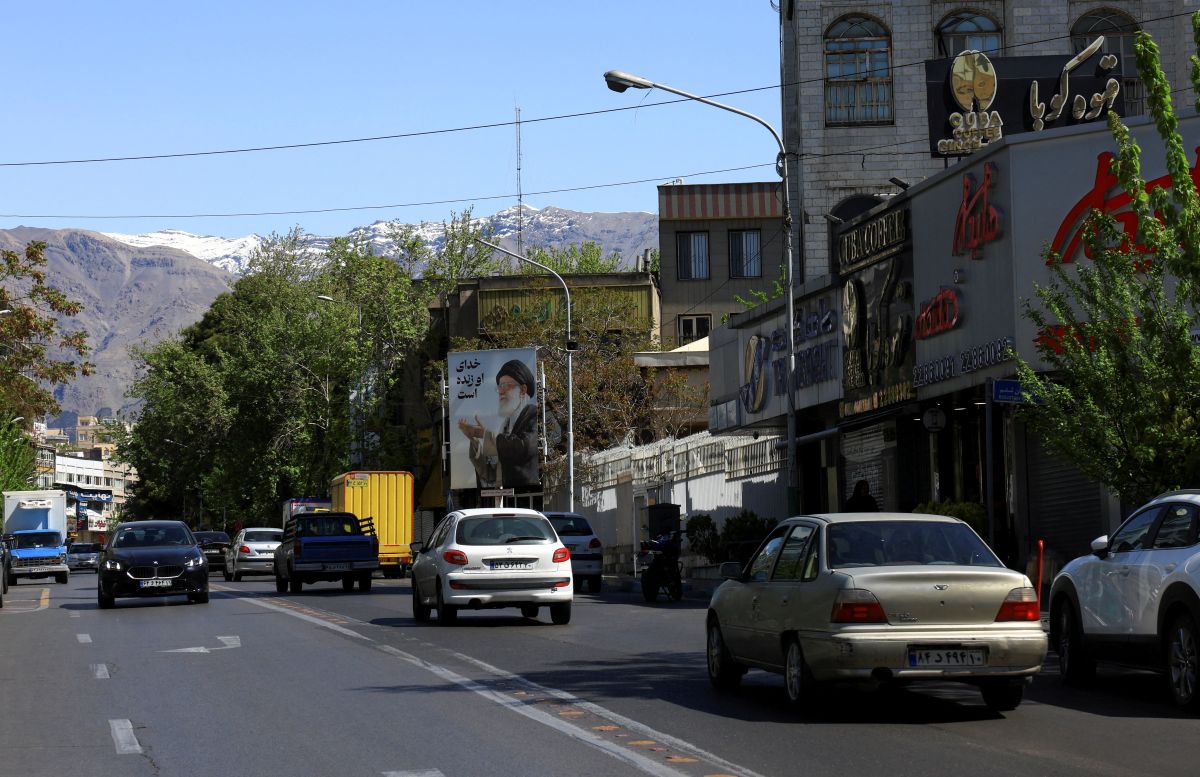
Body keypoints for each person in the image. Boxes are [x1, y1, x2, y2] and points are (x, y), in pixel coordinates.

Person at [457, 358, 540, 488]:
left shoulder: (534, 415)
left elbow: (525, 446)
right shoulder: (505, 426)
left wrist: (486, 434)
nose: (501, 391)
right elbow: (491, 474)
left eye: (506, 386)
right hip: (503, 493)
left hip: (526, 494)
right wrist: (474, 440)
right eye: (500, 386)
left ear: (523, 390)